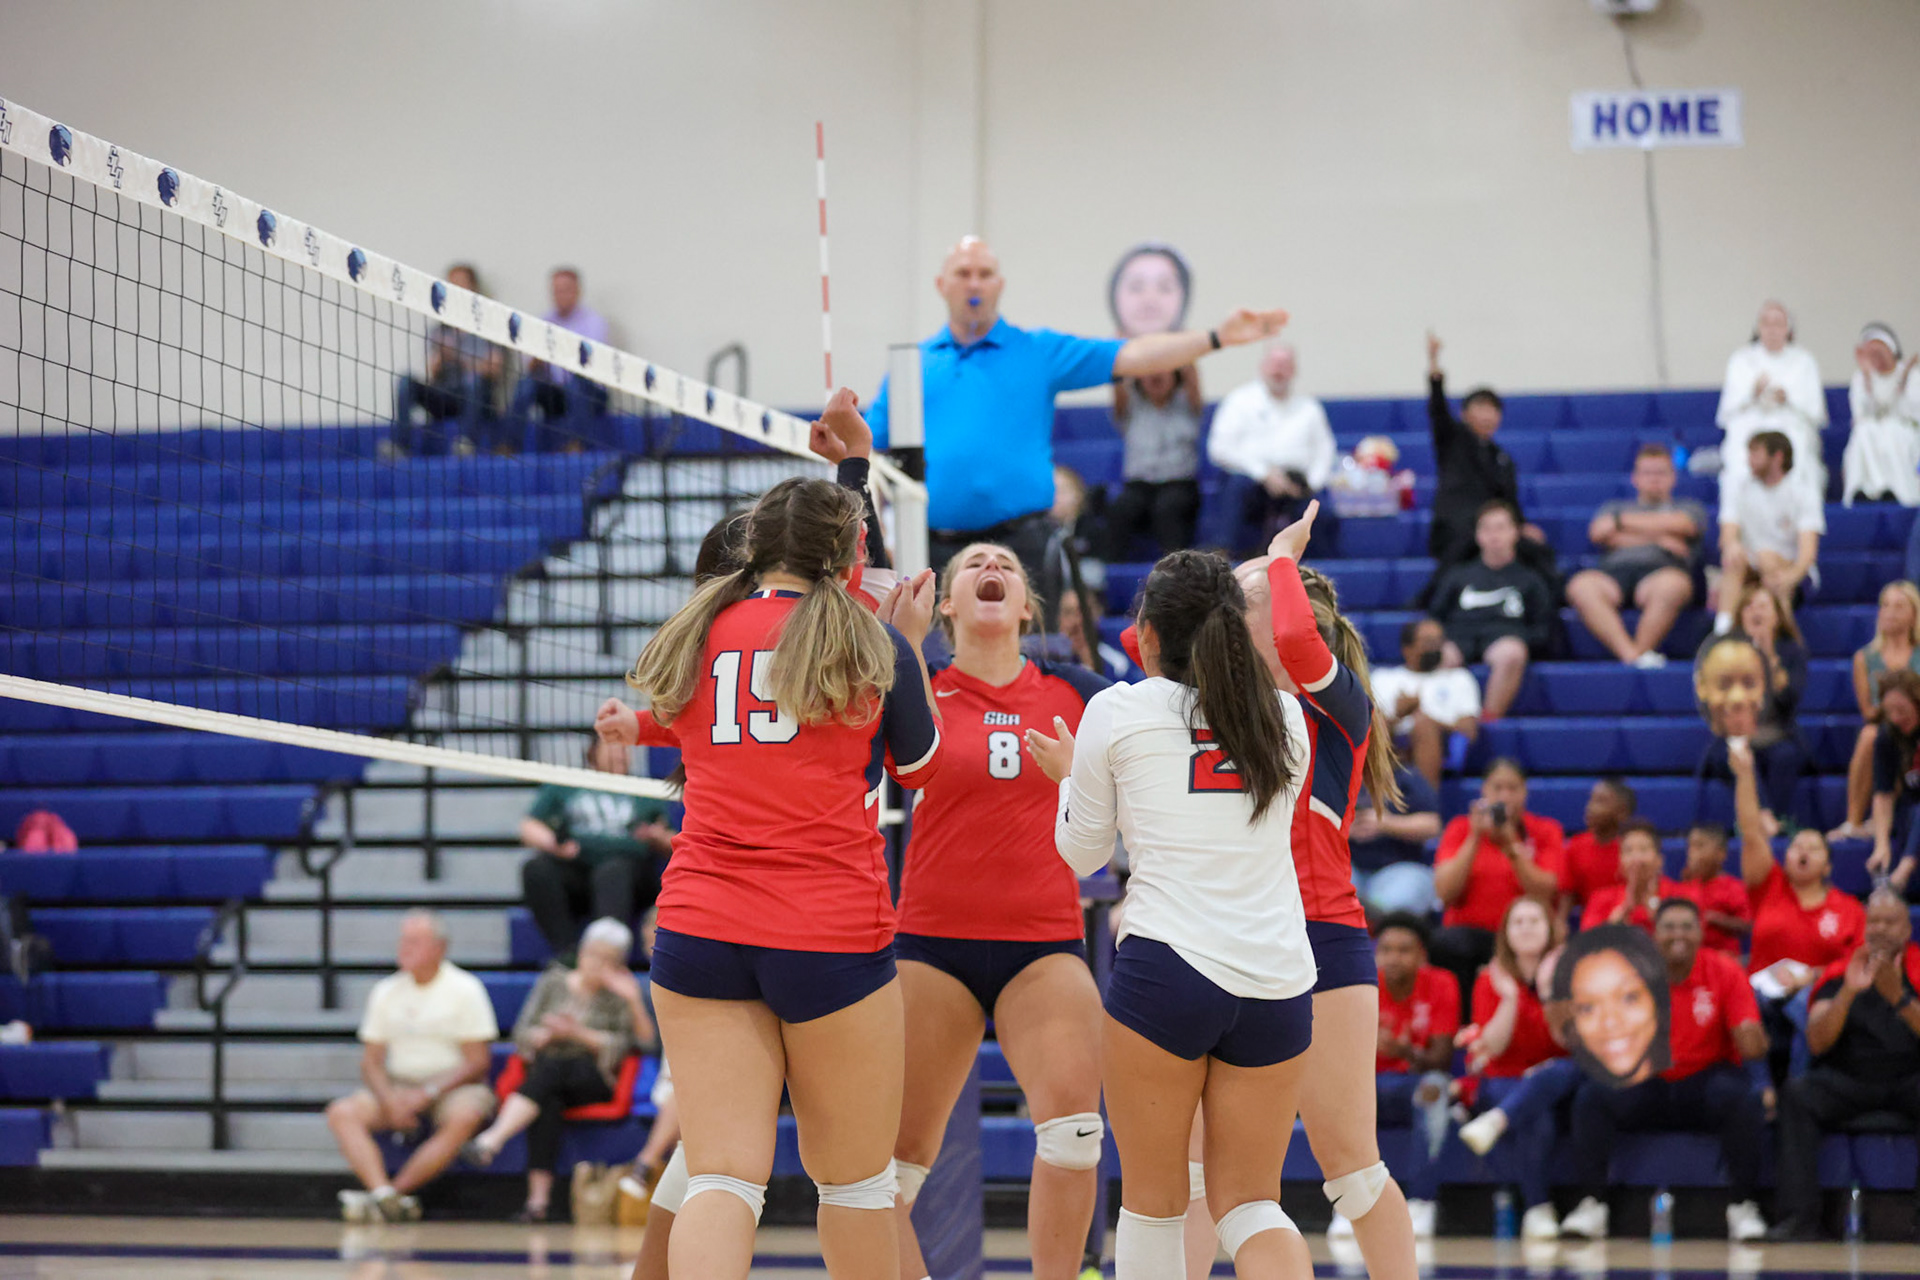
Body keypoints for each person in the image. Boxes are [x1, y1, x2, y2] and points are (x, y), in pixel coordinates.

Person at [612, 468, 942, 1280]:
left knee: (722, 1178)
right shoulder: (871, 642)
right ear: (851, 553)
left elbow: (682, 724)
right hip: (827, 931)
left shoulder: (696, 629)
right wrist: (912, 644)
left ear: (755, 547)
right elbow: (921, 768)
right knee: (856, 1186)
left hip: (700, 926)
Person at [1030, 547, 1317, 1279]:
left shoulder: (1116, 710)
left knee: (1154, 1205)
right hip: (1277, 979)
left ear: (1148, 635)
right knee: (1252, 1206)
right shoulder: (1286, 716)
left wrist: (1067, 779)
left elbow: (1083, 855)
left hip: (1168, 971)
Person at [888, 544, 1110, 1280]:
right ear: (947, 603)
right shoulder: (917, 682)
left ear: (1026, 607)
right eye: (974, 562)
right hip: (930, 945)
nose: (992, 566)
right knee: (885, 1171)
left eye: (1008, 565)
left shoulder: (1076, 691)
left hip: (1042, 945)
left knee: (1075, 1133)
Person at [1224, 516, 1424, 1280]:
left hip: (1320, 935)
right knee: (1206, 1177)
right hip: (1232, 937)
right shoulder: (1214, 709)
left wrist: (1278, 558)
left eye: (1241, 597)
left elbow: (1295, 642)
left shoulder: (1339, 705)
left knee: (1353, 1170)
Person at [863, 236, 1288, 587]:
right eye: (963, 273)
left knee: (1033, 655)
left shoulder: (1037, 351)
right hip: (933, 551)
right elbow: (868, 445)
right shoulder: (913, 366)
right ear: (942, 284)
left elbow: (1134, 355)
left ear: (999, 284)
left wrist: (1216, 337)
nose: (974, 283)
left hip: (1024, 547)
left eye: (984, 273)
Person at [1561, 899, 1771, 1242]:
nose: (1678, 935)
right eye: (1669, 927)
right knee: (1591, 1098)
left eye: (1687, 927)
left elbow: (1752, 1046)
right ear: (1654, 934)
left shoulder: (1725, 971)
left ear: (1700, 933)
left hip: (1705, 1077)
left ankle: (1742, 1207)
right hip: (1649, 1079)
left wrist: (1752, 1038)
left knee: (1744, 1100)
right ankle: (1592, 1205)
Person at [324, 911, 499, 1223]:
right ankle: (384, 1195)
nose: (404, 948)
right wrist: (390, 1100)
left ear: (439, 948)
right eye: (403, 940)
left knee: (465, 1115)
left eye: (415, 941)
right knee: (341, 1112)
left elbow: (477, 1063)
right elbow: (371, 1062)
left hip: (453, 1084)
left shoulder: (465, 988)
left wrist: (427, 1093)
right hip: (399, 1083)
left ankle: (394, 1193)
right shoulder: (386, 991)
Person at [462, 918, 641, 1221]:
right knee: (548, 1098)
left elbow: (632, 1044)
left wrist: (579, 1034)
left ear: (618, 965)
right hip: (548, 1072)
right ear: (581, 952)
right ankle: (538, 1203)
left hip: (593, 1076)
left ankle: (493, 1138)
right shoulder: (553, 982)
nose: (596, 964)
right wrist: (544, 1036)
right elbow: (522, 1033)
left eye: (607, 959)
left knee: (554, 1070)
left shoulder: (620, 994)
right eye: (592, 954)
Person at [1768, 886, 1920, 1241]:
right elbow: (1817, 1041)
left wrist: (1899, 998)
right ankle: (1799, 1219)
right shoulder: (1839, 972)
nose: (1881, 929)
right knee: (1797, 1095)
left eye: (1890, 922)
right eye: (1874, 922)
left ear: (1907, 929)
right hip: (1850, 1079)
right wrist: (1849, 992)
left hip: (1910, 1077)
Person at [1731, 738, 1865, 1064]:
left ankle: (1800, 1086)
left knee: (1808, 1004)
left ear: (1828, 866)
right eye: (1796, 846)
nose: (1803, 851)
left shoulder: (1847, 907)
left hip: (1812, 990)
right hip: (1761, 989)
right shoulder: (1769, 885)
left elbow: (1857, 962)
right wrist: (1745, 775)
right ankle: (1760, 1088)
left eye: (1813, 848)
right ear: (1786, 857)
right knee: (1741, 1006)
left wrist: (1812, 976)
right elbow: (1751, 832)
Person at [1459, 897, 1568, 1240]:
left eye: (1535, 920)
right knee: (1537, 1116)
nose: (1526, 928)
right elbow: (1494, 1048)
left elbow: (1569, 1042)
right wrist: (1509, 998)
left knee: (1564, 1069)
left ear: (1550, 928)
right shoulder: (1490, 980)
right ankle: (1538, 1208)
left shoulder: (1569, 974)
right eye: (1517, 922)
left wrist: (1549, 991)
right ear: (1505, 933)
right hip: (1505, 1078)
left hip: (1555, 1075)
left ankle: (1496, 1121)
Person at [518, 741, 674, 962]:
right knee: (536, 868)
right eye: (614, 748)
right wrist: (554, 844)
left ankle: (604, 957)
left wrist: (657, 837)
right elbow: (528, 826)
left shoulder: (642, 789)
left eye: (624, 749)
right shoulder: (568, 783)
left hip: (629, 876)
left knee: (613, 870)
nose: (621, 754)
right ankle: (568, 955)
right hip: (579, 870)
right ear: (592, 753)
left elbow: (673, 843)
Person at [1356, 914, 1458, 1241]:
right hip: (1371, 1082)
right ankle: (1351, 1204)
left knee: (1435, 1089)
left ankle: (1422, 1202)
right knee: (1343, 1094)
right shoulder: (1362, 984)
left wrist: (1404, 1051)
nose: (1393, 958)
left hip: (1416, 1081)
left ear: (1421, 955)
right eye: (1386, 950)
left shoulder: (1441, 983)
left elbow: (1441, 1061)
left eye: (1404, 950)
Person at [1430, 759, 1566, 999]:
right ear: (1484, 791)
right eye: (1497, 788)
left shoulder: (1546, 830)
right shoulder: (1460, 829)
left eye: (1513, 788)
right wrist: (1474, 838)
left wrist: (1512, 844)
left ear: (1525, 792)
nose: (1505, 796)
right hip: (1472, 935)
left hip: (1523, 933)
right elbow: (1445, 893)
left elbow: (1545, 892)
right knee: (1447, 943)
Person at [1565, 444, 1708, 668]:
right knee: (1581, 586)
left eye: (1661, 472)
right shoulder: (1615, 507)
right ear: (1635, 478)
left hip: (1662, 572)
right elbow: (1599, 531)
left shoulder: (1688, 507)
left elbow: (1685, 525)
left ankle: (1638, 652)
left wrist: (1621, 527)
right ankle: (1633, 657)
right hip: (1613, 574)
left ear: (1673, 477)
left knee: (1672, 585)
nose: (1654, 479)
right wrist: (1660, 538)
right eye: (1647, 472)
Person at [1423, 331, 1548, 569]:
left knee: (1537, 548)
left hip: (1493, 533)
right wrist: (1434, 362)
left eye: (1493, 409)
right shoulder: (1452, 440)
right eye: (1480, 408)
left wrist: (1522, 527)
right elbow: (1438, 408)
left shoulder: (1503, 459)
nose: (1487, 415)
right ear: (1464, 414)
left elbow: (1509, 502)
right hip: (1456, 531)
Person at [1203, 343, 1337, 556]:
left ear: (1294, 370)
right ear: (1262, 366)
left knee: (1319, 507)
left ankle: (1319, 566)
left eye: (1285, 365)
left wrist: (1311, 484)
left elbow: (1325, 451)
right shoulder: (1239, 401)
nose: (1278, 371)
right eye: (1274, 364)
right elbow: (1220, 448)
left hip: (1296, 482)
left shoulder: (1309, 408)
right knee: (1234, 488)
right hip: (1251, 479)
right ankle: (1222, 555)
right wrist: (1264, 473)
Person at [1427, 502, 1554, 723]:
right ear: (1477, 535)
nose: (1493, 535)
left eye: (1500, 527)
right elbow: (1435, 615)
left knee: (1512, 652)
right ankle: (1440, 722)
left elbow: (1543, 626)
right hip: (1460, 636)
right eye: (1486, 528)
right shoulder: (1458, 575)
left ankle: (1488, 721)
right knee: (1437, 654)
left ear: (1515, 532)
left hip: (1504, 637)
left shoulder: (1530, 579)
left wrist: (1522, 639)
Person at [1697, 586, 1810, 821]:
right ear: (1740, 615)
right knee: (1734, 752)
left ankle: (1773, 818)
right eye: (1749, 606)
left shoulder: (1791, 650)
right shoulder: (1725, 651)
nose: (1755, 612)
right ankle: (1763, 817)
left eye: (1763, 606)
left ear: (1777, 616)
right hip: (1734, 732)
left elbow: (1789, 702)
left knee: (1785, 756)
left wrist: (1767, 655)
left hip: (1777, 733)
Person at [1715, 300, 1827, 509]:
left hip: (1790, 420)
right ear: (1758, 327)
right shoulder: (1741, 359)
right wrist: (1753, 393)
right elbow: (1727, 411)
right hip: (1751, 421)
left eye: (1778, 323)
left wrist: (1788, 397)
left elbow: (1816, 412)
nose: (1772, 330)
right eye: (1766, 323)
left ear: (1788, 329)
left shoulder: (1804, 360)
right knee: (1740, 450)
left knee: (1796, 445)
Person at [388, 263, 503, 458]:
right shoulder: (440, 328)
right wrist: (440, 359)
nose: (455, 289)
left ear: (473, 288)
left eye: (461, 284)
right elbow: (431, 374)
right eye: (451, 284)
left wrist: (457, 357)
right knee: (406, 381)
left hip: (476, 397)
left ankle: (466, 444)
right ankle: (401, 445)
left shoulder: (489, 326)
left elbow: (494, 369)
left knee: (474, 382)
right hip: (446, 394)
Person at [1833, 581, 1920, 841]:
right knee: (1872, 734)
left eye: (1899, 606)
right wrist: (1895, 705)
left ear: (1914, 614)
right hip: (1884, 727)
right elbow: (1868, 711)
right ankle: (1854, 820)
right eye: (1885, 605)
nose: (1890, 612)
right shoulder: (1865, 658)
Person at [1718, 431, 1825, 615]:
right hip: (1751, 567)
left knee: (1768, 560)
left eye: (1756, 454)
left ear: (1777, 457)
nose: (1749, 460)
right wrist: (1732, 546)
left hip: (1793, 571)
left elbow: (1807, 554)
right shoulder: (1740, 488)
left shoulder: (1803, 493)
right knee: (1734, 561)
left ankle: (1782, 626)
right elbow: (1728, 532)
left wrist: (1790, 577)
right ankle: (1723, 627)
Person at [508, 267, 613, 453]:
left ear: (578, 291)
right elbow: (530, 365)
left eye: (566, 290)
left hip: (589, 392)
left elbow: (590, 364)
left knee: (577, 385)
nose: (561, 295)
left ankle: (575, 445)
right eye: (557, 291)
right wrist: (538, 359)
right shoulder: (543, 321)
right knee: (526, 384)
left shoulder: (593, 321)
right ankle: (509, 446)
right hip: (555, 392)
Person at [1368, 618, 1481, 789]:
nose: (1434, 647)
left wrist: (1425, 718)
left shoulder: (1459, 678)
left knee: (1423, 726)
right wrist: (1399, 715)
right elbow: (1369, 729)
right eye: (1428, 642)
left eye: (1438, 641)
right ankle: (1372, 798)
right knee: (1378, 724)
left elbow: (1468, 730)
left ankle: (1426, 800)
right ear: (1407, 648)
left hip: (1439, 747)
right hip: (1392, 748)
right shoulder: (1383, 678)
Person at [1105, 367, 1204, 560]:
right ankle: (1113, 570)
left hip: (1179, 484)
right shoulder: (1131, 407)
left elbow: (1191, 371)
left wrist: (1172, 354)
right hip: (1139, 486)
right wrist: (1135, 358)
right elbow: (1118, 378)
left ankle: (1176, 568)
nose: (1155, 376)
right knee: (1120, 507)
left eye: (1163, 371)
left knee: (1168, 507)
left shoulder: (1186, 404)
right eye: (1149, 372)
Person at [1841, 323, 1920, 507]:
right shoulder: (1861, 378)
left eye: (1879, 351)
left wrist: (1902, 382)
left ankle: (1899, 492)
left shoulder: (1911, 375)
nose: (1876, 356)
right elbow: (1861, 416)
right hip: (1871, 431)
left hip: (1905, 431)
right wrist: (1868, 380)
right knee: (1863, 433)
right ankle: (1864, 492)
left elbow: (1911, 414)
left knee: (1893, 431)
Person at [1350, 764, 1442, 920]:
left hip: (1399, 867)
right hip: (1349, 867)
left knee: (1397, 901)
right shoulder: (1338, 776)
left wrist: (1387, 824)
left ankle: (1377, 923)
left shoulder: (1405, 777)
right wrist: (1342, 828)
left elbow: (1433, 825)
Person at [1868, 669, 1920, 896]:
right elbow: (1883, 794)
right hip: (1911, 811)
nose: (1896, 718)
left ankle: (1902, 874)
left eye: (1901, 710)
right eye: (1889, 712)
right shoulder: (1888, 735)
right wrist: (1881, 845)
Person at [1581, 820, 1679, 933]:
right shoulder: (1600, 899)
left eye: (1643, 849)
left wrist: (1652, 908)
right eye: (1628, 851)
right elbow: (1588, 939)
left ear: (1659, 860)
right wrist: (1623, 911)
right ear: (1620, 862)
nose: (1636, 858)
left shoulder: (1677, 895)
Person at [1670, 823, 1751, 956]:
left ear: (1721, 853)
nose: (1693, 853)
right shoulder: (1684, 886)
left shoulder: (1733, 887)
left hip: (1723, 958)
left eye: (1700, 846)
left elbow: (1747, 925)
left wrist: (1718, 920)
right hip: (1690, 958)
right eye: (1690, 846)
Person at [1559, 778, 1637, 914]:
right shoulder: (1576, 846)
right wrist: (1560, 920)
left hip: (1627, 918)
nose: (1590, 807)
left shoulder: (1633, 849)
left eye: (1601, 801)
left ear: (1622, 812)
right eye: (1591, 800)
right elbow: (1567, 895)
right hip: (1591, 922)